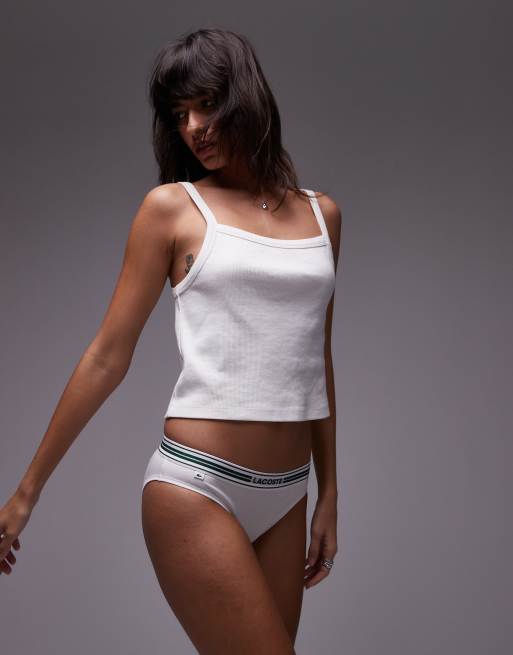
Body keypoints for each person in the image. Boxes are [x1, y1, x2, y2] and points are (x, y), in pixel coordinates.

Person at [0, 27, 342, 655]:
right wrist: (27, 492)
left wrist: (330, 494)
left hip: (290, 492)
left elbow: (315, 357)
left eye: (206, 104)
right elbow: (107, 356)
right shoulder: (172, 210)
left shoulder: (324, 214)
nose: (193, 128)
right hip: (198, 487)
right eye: (179, 114)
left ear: (244, 96)